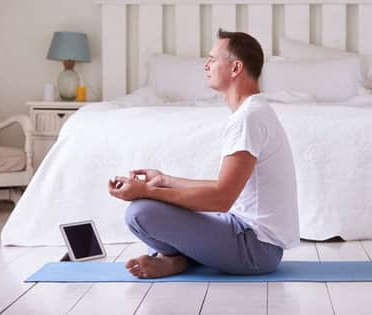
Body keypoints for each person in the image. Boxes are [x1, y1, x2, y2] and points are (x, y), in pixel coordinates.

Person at [108, 29, 299, 278]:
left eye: (212, 59)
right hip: (247, 236)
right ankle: (177, 261)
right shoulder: (252, 112)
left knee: (140, 212)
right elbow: (225, 188)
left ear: (235, 68)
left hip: (256, 249)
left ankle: (176, 259)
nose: (206, 65)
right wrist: (164, 180)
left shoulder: (249, 118)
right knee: (151, 206)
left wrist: (146, 191)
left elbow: (221, 199)